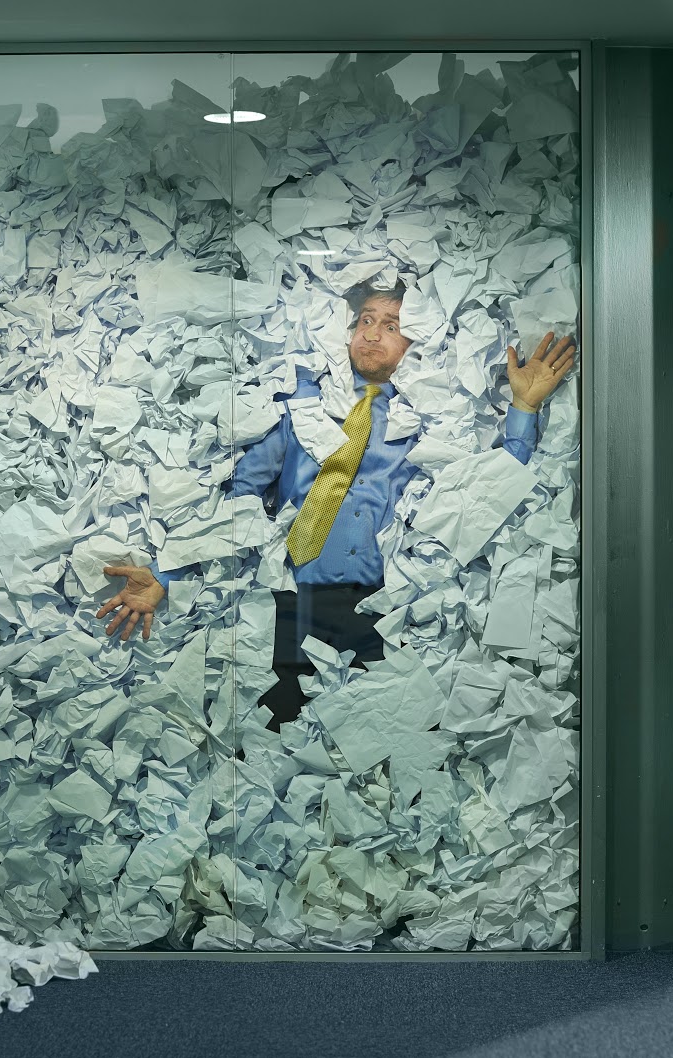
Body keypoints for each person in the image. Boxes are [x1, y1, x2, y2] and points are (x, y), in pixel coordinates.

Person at [97, 278, 576, 727]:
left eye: (391, 326)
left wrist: (525, 407)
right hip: (287, 606)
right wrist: (167, 573)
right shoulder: (300, 409)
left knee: (369, 767)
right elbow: (238, 498)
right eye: (365, 321)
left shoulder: (429, 424)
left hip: (380, 614)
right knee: (273, 743)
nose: (372, 335)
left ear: (415, 342)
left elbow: (483, 494)